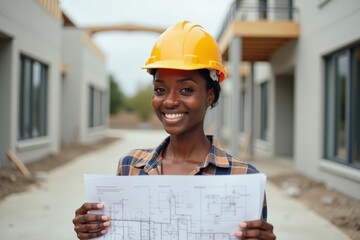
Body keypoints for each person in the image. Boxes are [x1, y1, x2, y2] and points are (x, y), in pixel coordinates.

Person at [73, 20, 276, 240]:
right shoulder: (129, 166)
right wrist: (91, 231)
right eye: (160, 89)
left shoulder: (244, 177)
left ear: (210, 95)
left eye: (186, 90)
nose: (169, 101)